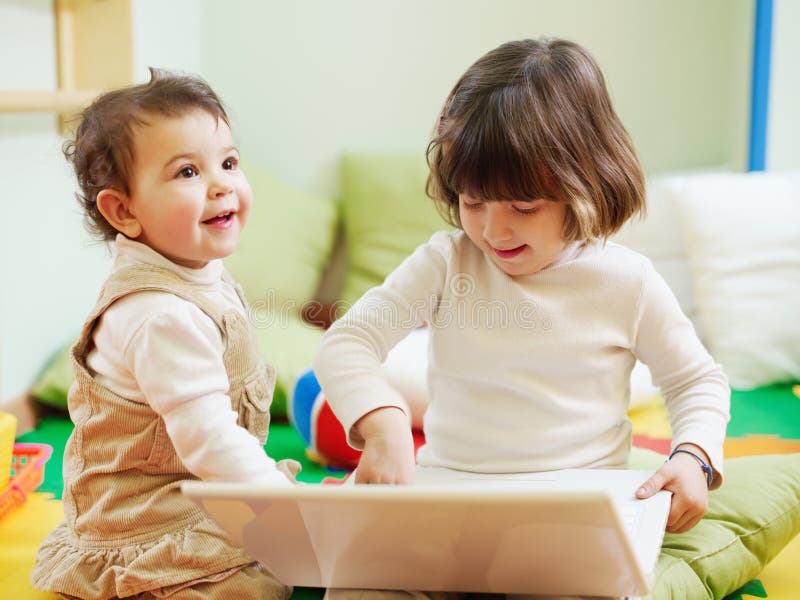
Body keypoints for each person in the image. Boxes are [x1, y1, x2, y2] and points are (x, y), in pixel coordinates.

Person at [313, 38, 730, 598]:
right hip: (446, 501)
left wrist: (693, 456)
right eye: (473, 201)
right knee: (361, 583)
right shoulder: (446, 261)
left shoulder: (627, 282)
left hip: (574, 513)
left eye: (524, 207)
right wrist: (383, 420)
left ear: (587, 181)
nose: (493, 230)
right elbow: (348, 342)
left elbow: (696, 379)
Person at [31, 69, 296, 600]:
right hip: (143, 517)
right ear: (124, 211)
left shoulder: (198, 274)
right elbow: (210, 439)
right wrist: (286, 509)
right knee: (253, 587)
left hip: (191, 487)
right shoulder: (159, 315)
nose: (221, 184)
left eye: (228, 162)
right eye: (187, 172)